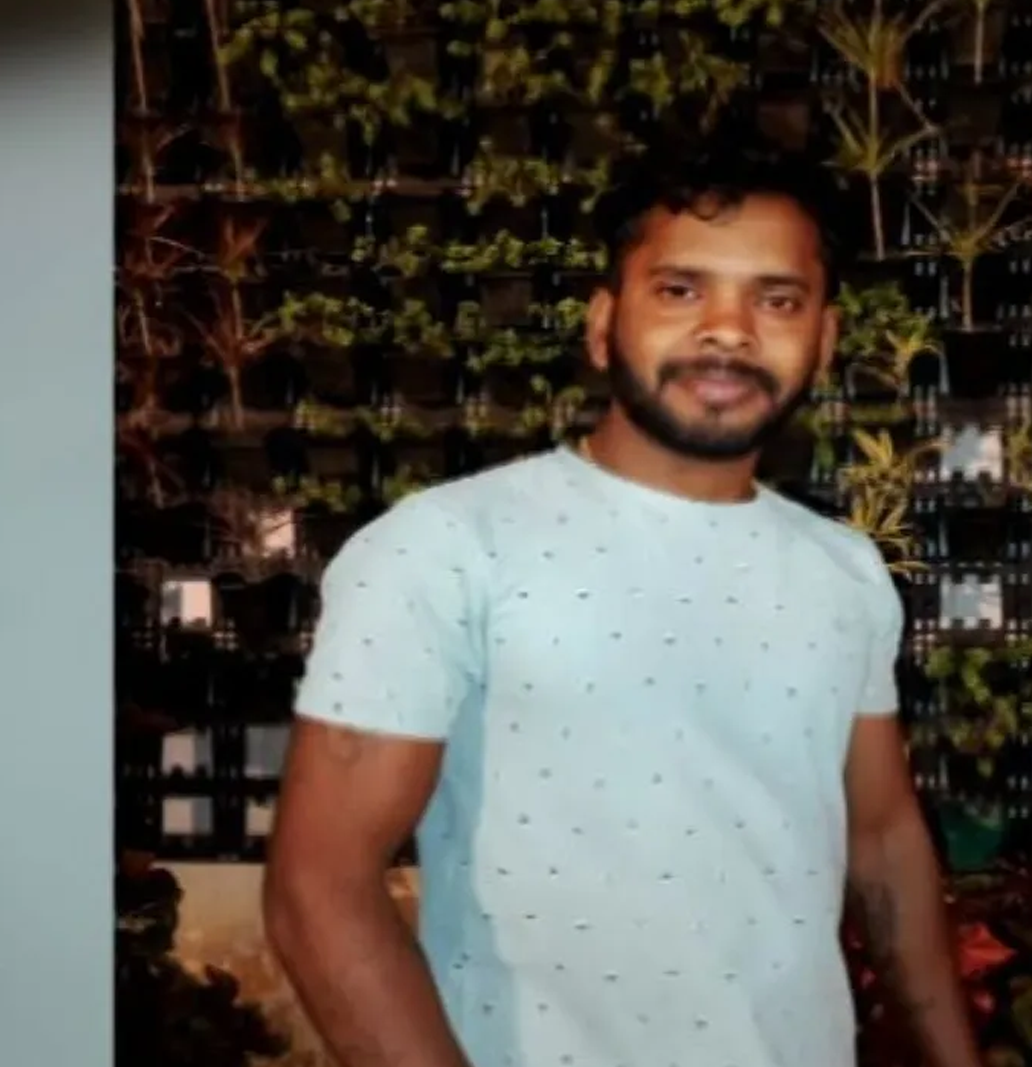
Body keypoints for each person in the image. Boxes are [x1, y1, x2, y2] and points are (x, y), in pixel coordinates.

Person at [263, 129, 983, 1067]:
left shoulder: (842, 570)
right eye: (681, 290)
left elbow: (883, 840)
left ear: (825, 338)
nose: (729, 329)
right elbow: (318, 887)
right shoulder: (444, 548)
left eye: (777, 299)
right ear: (603, 324)